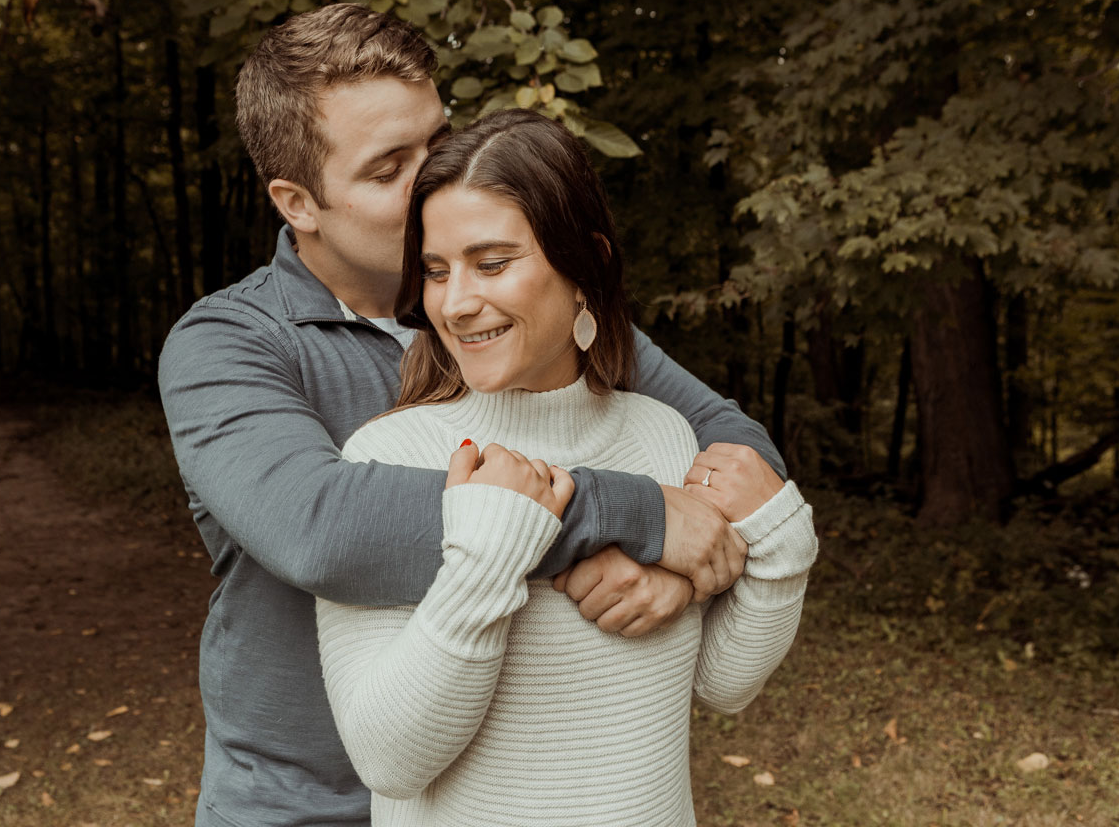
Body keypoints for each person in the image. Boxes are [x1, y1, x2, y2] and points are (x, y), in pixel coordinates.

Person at [158, 3, 787, 827]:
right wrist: (622, 513)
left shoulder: (527, 316)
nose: (433, 183)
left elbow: (737, 446)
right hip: (303, 803)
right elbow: (319, 527)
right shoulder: (229, 344)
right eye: (389, 169)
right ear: (298, 202)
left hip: (506, 792)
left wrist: (676, 564)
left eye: (436, 140)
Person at [315, 109, 817, 825]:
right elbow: (388, 760)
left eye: (492, 263)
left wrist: (782, 548)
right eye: (435, 270)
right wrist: (488, 559)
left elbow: (721, 686)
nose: (455, 303)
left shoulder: (664, 437)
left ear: (586, 267)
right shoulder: (386, 458)